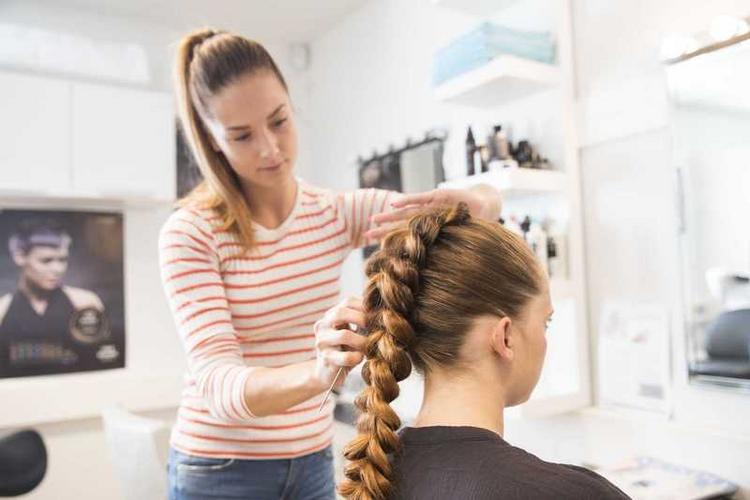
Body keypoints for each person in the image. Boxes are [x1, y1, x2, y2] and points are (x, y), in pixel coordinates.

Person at [160, 28, 502, 500]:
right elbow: (219, 387)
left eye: (279, 121)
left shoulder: (334, 214)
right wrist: (320, 373)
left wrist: (478, 199)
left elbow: (481, 205)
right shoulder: (191, 233)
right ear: (212, 140)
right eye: (242, 136)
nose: (269, 148)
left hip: (313, 461)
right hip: (220, 469)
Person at [339, 204, 630, 500]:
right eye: (546, 322)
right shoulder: (573, 494)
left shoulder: (375, 476)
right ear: (505, 337)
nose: (545, 339)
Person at [0, 219, 106, 378]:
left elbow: (102, 358)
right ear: (20, 257)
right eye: (46, 260)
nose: (58, 269)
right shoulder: (2, 310)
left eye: (62, 260)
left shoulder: (84, 302)